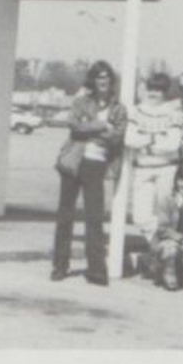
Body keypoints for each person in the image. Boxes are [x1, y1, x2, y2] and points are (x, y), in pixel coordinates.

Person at [51, 60, 127, 286]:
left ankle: (96, 270)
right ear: (93, 81)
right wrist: (103, 126)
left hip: (97, 165)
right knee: (65, 216)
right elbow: (74, 125)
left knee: (94, 218)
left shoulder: (119, 108)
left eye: (107, 77)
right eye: (99, 77)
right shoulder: (81, 102)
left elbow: (117, 137)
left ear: (111, 82)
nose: (103, 81)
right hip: (73, 162)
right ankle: (60, 266)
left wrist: (91, 127)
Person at [124, 72, 183, 241]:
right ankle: (162, 243)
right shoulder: (136, 111)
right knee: (140, 217)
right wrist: (155, 137)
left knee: (165, 217)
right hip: (142, 168)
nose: (153, 94)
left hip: (166, 169)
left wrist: (145, 140)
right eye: (151, 89)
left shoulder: (173, 112)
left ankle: (166, 255)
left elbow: (172, 143)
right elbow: (129, 139)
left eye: (158, 90)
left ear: (165, 92)